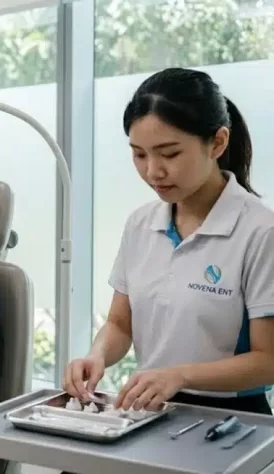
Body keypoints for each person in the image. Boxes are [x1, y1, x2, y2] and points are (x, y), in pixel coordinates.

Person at [64, 67, 274, 415]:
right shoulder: (141, 224)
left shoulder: (260, 232)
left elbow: (268, 360)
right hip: (149, 409)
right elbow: (120, 323)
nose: (153, 172)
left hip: (232, 418)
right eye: (140, 154)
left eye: (170, 154)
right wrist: (96, 355)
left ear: (218, 143)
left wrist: (181, 376)